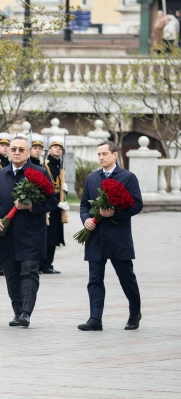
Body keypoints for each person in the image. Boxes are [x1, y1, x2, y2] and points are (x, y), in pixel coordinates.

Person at [0, 133, 59, 327]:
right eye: (13, 149)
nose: (16, 153)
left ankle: (26, 313)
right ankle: (17, 311)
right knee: (11, 274)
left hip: (31, 234)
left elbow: (53, 200)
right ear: (8, 152)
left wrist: (31, 207)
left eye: (21, 149)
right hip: (7, 234)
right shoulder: (1, 175)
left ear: (28, 152)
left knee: (28, 272)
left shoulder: (39, 173)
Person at [77, 141, 144, 331]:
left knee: (126, 277)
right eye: (98, 154)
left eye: (104, 154)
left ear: (115, 155)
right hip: (95, 237)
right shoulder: (92, 178)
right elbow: (83, 205)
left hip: (118, 237)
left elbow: (137, 205)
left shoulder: (128, 177)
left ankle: (134, 313)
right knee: (95, 279)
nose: (100, 157)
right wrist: (86, 220)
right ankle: (95, 319)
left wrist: (115, 213)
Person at [43, 136, 67, 275]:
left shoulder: (58, 164)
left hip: (58, 201)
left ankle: (48, 263)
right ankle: (44, 263)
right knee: (49, 234)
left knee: (55, 233)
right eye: (55, 147)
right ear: (49, 149)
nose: (58, 150)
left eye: (60, 148)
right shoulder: (46, 164)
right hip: (50, 201)